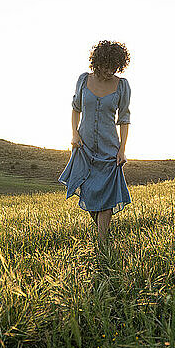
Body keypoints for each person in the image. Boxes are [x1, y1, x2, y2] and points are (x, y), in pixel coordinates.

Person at [58, 40, 132, 248]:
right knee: (89, 192)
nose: (110, 71)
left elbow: (124, 119)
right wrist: (74, 134)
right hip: (84, 147)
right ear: (97, 62)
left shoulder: (122, 85)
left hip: (109, 149)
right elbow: (75, 108)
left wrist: (122, 149)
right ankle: (103, 235)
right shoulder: (83, 80)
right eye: (106, 66)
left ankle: (103, 244)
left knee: (107, 196)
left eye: (114, 67)